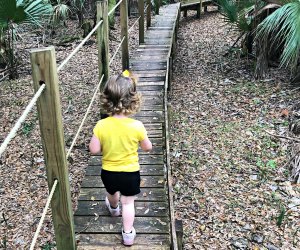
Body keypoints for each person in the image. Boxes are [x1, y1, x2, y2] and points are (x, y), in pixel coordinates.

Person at [89, 70, 152, 246]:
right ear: (133, 100)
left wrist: (105, 143)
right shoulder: (137, 126)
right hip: (131, 173)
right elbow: (147, 147)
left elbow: (94, 149)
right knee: (128, 203)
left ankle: (113, 209)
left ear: (107, 99)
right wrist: (142, 143)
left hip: (109, 172)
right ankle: (128, 233)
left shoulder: (101, 125)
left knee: (112, 193)